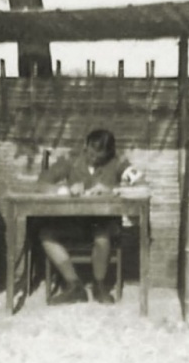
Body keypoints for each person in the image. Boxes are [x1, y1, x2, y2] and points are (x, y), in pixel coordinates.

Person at [37, 129, 139, 305]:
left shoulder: (118, 163)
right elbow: (41, 184)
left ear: (109, 153)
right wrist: (65, 190)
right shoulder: (71, 160)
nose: (93, 159)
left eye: (99, 156)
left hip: (105, 222)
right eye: (91, 153)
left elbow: (142, 185)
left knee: (101, 236)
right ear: (85, 145)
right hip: (76, 221)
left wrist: (113, 190)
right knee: (46, 236)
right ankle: (74, 286)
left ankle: (99, 286)